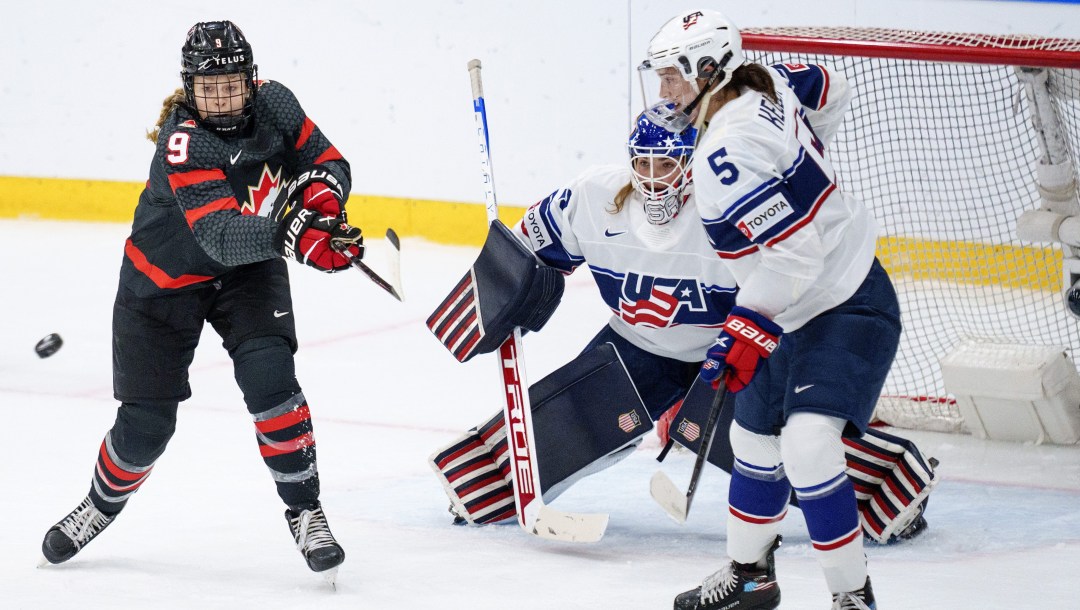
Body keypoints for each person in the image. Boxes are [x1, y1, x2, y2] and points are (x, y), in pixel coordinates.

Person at [426, 109, 936, 557]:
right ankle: (484, 483)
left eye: (665, 164)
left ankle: (888, 484)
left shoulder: (728, 208)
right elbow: (527, 248)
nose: (651, 178)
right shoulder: (592, 198)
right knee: (573, 420)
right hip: (638, 343)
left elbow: (794, 276)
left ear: (691, 164)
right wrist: (510, 287)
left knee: (763, 444)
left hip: (728, 346)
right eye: (642, 162)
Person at [39, 21, 362, 583]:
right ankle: (100, 503)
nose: (220, 98)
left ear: (253, 80)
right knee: (146, 426)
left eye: (232, 84)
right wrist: (295, 236)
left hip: (246, 277)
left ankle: (306, 511)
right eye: (207, 88)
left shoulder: (277, 105)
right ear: (188, 88)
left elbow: (327, 162)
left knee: (271, 380)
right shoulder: (183, 141)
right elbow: (218, 234)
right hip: (161, 283)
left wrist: (322, 210)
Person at [639, 8, 905, 609]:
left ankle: (852, 598)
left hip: (845, 305)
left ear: (710, 70)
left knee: (809, 447)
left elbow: (795, 256)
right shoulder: (767, 80)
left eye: (673, 76)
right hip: (792, 310)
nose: (664, 91)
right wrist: (799, 171)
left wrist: (744, 329)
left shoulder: (723, 155)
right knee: (754, 441)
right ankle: (750, 576)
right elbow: (829, 87)